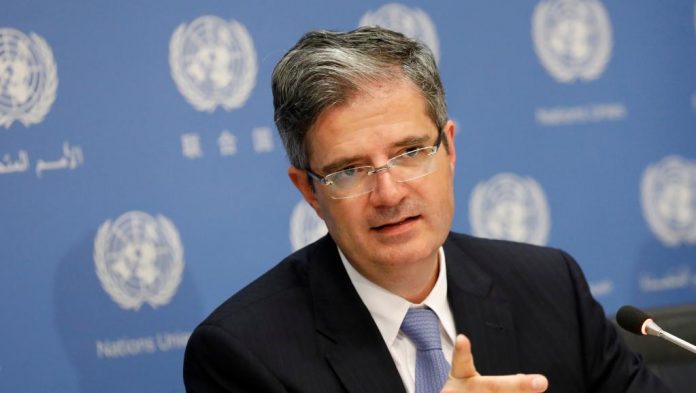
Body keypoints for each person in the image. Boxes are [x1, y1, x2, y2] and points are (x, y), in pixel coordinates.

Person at [183, 26, 669, 393]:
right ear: (310, 192)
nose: (389, 193)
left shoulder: (550, 287)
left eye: (411, 152)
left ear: (449, 150)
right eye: (349, 170)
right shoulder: (241, 354)